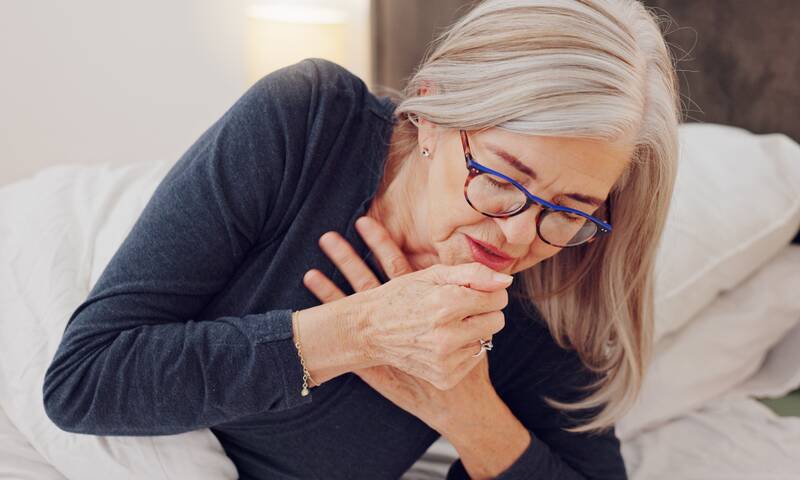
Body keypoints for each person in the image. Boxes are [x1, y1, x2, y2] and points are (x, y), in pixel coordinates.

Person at [42, 0, 681, 478]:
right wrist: (358, 332)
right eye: (503, 177)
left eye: (570, 208)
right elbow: (84, 381)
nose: (519, 235)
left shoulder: (554, 287)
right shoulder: (308, 122)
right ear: (431, 109)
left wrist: (464, 407)